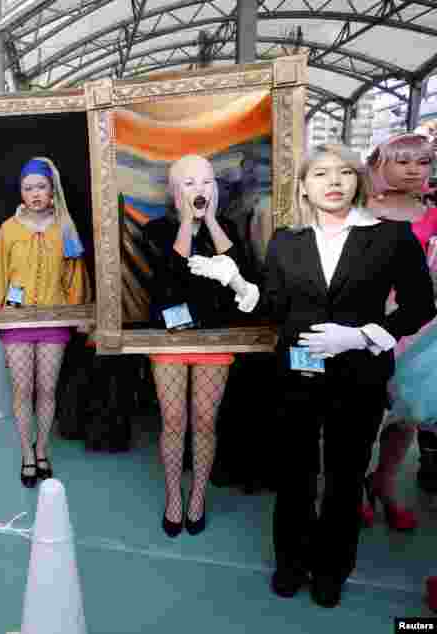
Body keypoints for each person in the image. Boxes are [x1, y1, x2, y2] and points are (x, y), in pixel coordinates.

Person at [189, 144, 435, 608]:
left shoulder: (391, 237)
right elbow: (277, 307)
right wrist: (237, 282)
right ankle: (290, 562)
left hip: (359, 371)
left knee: (345, 475)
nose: (334, 181)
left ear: (358, 181)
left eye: (344, 172)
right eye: (321, 173)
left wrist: (363, 335)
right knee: (295, 471)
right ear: (304, 185)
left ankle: (331, 569)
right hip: (297, 371)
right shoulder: (287, 241)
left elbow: (421, 304)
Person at [142, 155, 252, 537]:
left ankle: (198, 495)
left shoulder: (230, 230)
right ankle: (174, 495)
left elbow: (242, 275)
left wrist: (214, 223)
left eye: (206, 182)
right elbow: (168, 280)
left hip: (215, 340)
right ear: (175, 193)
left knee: (205, 421)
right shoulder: (156, 231)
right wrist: (189, 223)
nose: (199, 189)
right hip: (169, 339)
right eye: (189, 183)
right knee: (173, 421)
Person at [0, 157, 91, 488]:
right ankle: (26, 455)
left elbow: (75, 275)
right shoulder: (8, 229)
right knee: (21, 389)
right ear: (21, 192)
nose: (34, 193)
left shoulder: (65, 228)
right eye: (28, 188)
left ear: (51, 189)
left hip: (54, 322)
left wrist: (82, 312)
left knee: (46, 389)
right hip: (15, 323)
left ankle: (42, 450)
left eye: (40, 186)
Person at [360, 132, 437, 531]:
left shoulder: (433, 214)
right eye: (402, 160)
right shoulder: (360, 206)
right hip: (362, 320)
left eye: (421, 161)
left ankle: (384, 484)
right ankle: (356, 486)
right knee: (362, 411)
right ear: (382, 164)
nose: (412, 169)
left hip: (416, 326)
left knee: (404, 415)